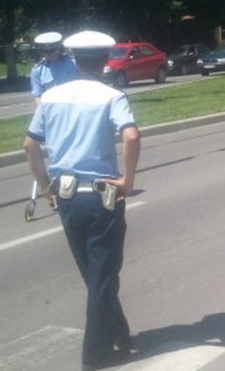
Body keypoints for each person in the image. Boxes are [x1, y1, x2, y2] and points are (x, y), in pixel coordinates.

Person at [23, 30, 141, 370]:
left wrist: (46, 188)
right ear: (105, 61)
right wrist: (127, 181)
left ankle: (120, 332)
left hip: (66, 196)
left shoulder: (52, 97)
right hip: (102, 196)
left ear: (74, 58)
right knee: (103, 276)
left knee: (94, 275)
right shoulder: (111, 95)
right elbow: (131, 136)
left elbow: (30, 145)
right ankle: (95, 355)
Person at [30, 31, 81, 104]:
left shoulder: (74, 63)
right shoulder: (37, 70)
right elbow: (38, 96)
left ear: (59, 48)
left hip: (74, 105)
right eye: (45, 52)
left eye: (52, 51)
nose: (49, 55)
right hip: (52, 108)